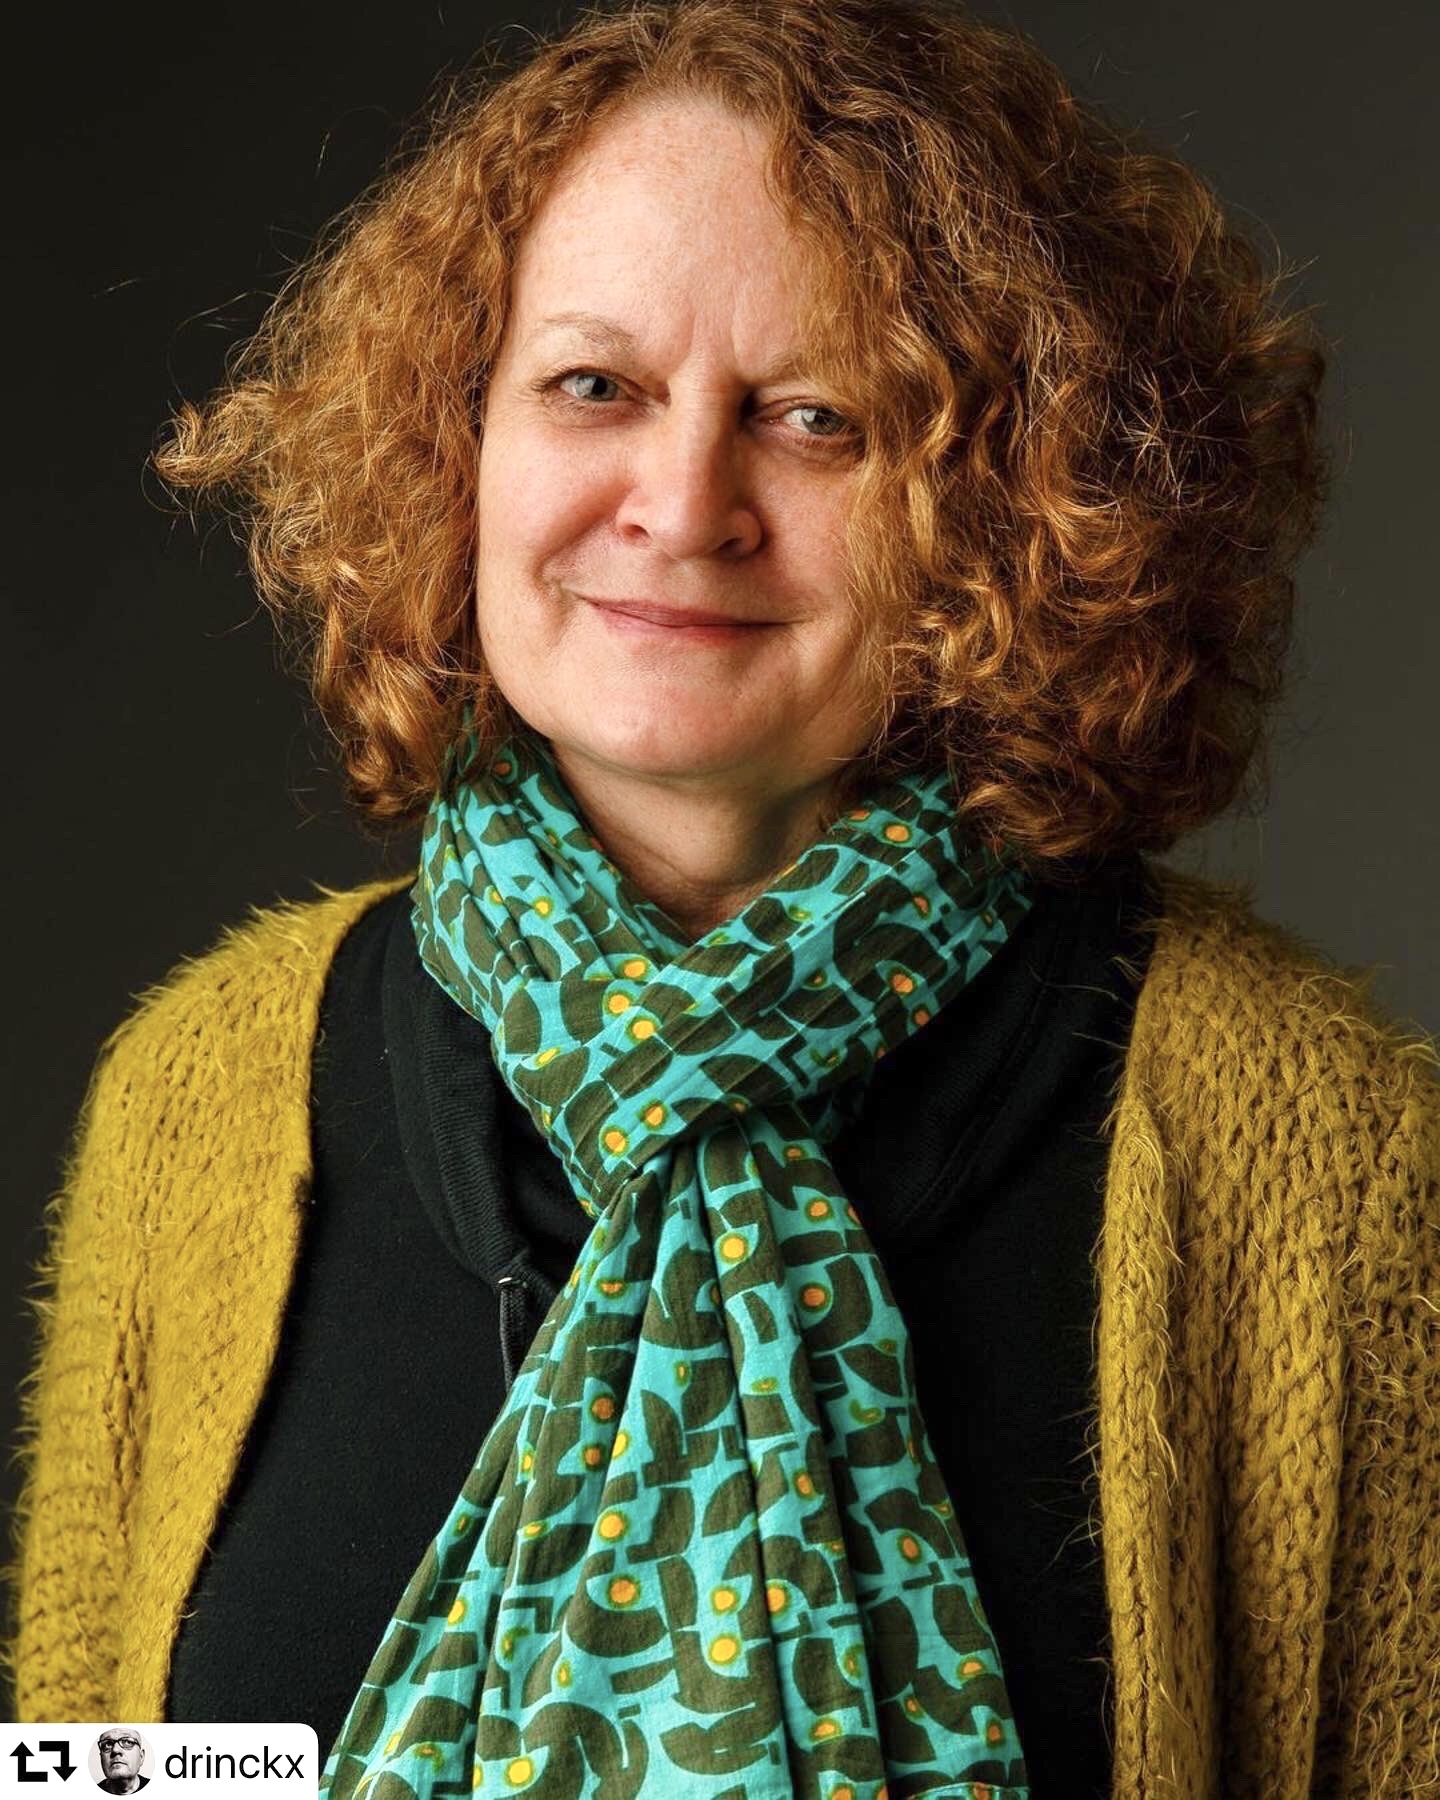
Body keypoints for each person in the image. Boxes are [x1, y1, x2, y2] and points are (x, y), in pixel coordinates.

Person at [9, 0, 1438, 1794]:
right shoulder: (199, 1100)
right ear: (455, 439)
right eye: (593, 387)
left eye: (818, 418)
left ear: (1011, 507)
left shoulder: (1317, 1161)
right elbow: (78, 1763)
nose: (684, 507)